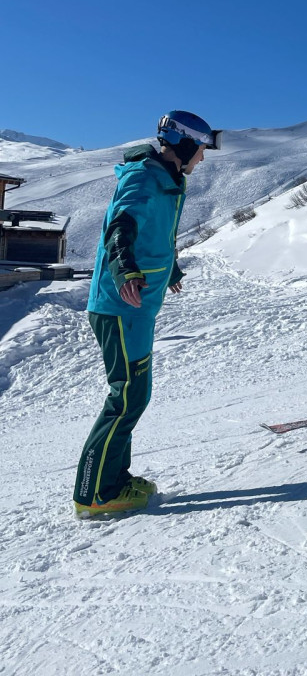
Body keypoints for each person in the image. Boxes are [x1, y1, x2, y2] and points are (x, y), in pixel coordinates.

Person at [74, 111, 221, 517]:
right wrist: (125, 269)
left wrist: (169, 267)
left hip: (136, 305)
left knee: (134, 394)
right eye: (202, 150)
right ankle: (94, 493)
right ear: (187, 144)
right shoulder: (143, 177)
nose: (203, 159)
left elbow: (157, 231)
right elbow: (121, 226)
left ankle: (114, 481)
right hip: (120, 303)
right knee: (126, 396)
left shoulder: (167, 178)